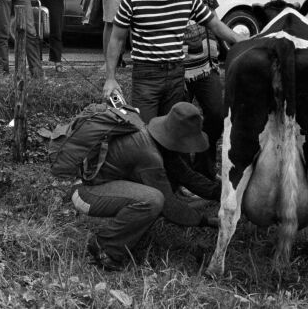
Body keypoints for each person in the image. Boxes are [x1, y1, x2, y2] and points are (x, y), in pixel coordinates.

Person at [103, 0, 245, 123]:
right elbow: (116, 39)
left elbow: (215, 24)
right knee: (143, 132)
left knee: (172, 134)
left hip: (176, 75)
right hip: (146, 76)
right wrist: (110, 78)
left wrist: (241, 40)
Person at [72, 102, 220, 270]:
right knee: (153, 200)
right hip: (86, 193)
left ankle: (128, 237)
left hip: (98, 186)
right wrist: (206, 221)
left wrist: (222, 193)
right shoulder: (149, 156)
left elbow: (187, 176)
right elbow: (169, 207)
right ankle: (106, 247)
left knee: (154, 195)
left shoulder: (153, 138)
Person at [179, 0, 222, 179]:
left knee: (216, 114)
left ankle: (204, 167)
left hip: (208, 65)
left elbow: (214, 19)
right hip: (180, 67)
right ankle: (184, 174)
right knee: (182, 120)